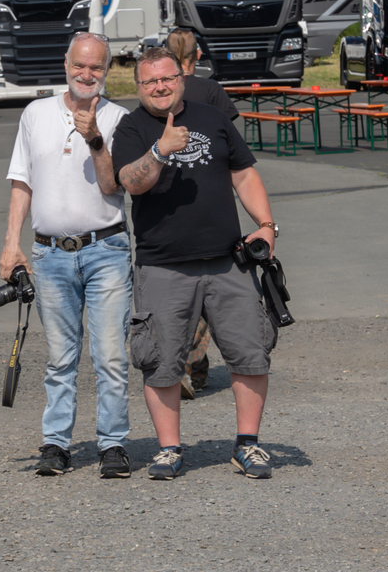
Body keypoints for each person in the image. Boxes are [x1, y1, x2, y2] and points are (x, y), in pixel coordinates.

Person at [112, 47, 279, 480]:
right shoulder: (131, 128)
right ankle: (169, 449)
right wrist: (161, 150)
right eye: (149, 82)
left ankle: (248, 445)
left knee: (249, 353)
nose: (160, 87)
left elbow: (243, 174)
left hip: (228, 260)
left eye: (166, 78)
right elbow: (132, 182)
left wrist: (265, 225)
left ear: (182, 77)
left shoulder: (212, 118)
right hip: (164, 265)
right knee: (161, 360)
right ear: (139, 87)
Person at [0, 32, 133, 479]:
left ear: (107, 71)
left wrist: (94, 137)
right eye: (80, 65)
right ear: (66, 64)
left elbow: (114, 185)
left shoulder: (119, 119)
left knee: (111, 355)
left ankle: (112, 443)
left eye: (96, 67)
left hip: (106, 250)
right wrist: (10, 243)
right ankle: (56, 443)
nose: (87, 74)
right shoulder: (35, 114)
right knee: (60, 357)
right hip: (50, 254)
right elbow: (23, 181)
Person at [166, 28, 239, 398]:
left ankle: (177, 364)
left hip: (168, 202)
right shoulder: (211, 91)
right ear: (196, 56)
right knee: (209, 295)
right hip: (210, 202)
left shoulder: (159, 90)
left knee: (177, 295)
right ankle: (196, 365)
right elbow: (231, 145)